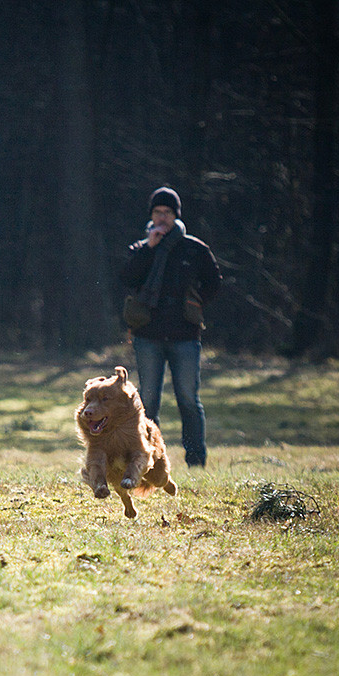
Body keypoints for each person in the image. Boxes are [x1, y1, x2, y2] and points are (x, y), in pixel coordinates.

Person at [119, 187, 220, 467]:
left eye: (167, 212)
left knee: (188, 400)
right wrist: (149, 248)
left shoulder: (194, 248)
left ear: (176, 216)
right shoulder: (141, 248)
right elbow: (126, 277)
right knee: (148, 401)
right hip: (147, 336)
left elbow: (214, 282)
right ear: (151, 216)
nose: (162, 218)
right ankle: (148, 459)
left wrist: (196, 303)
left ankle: (196, 461)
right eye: (157, 212)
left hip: (185, 336)